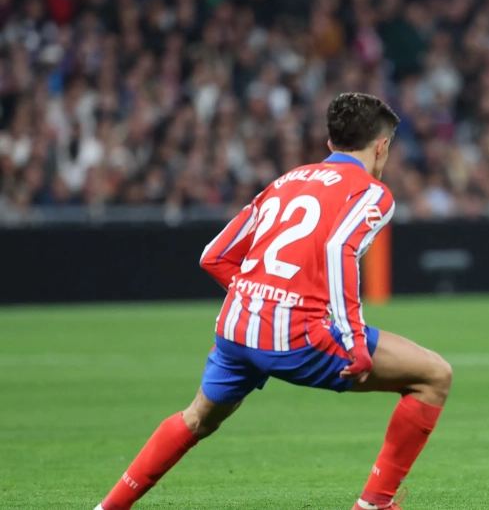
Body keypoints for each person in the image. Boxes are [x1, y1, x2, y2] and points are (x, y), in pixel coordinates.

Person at [95, 93, 452, 510]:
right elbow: (340, 249)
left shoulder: (288, 180)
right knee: (434, 376)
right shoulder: (372, 193)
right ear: (382, 146)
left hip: (236, 328)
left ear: (329, 142)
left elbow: (213, 255)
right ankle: (374, 504)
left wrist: (258, 301)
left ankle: (109, 507)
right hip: (298, 336)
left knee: (197, 418)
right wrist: (354, 339)